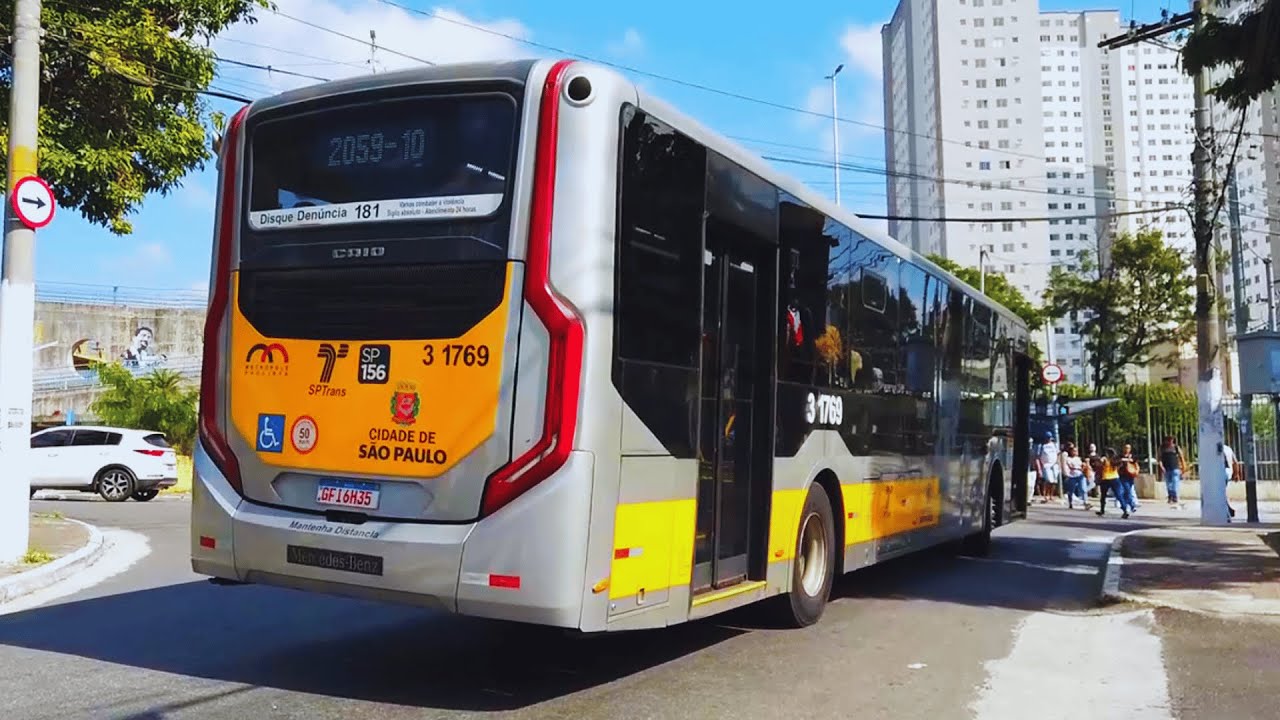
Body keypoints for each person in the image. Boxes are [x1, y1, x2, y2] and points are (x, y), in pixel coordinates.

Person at [1159, 436, 1186, 505]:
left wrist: (1183, 466)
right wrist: (1161, 466)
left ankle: (1175, 496)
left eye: (1171, 440)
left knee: (1175, 482)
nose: (1170, 441)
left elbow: (1181, 456)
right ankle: (1170, 496)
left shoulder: (1176, 447)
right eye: (1169, 440)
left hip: (1175, 468)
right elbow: (1159, 458)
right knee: (1168, 484)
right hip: (1166, 468)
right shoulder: (1162, 448)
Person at [1114, 444, 1139, 518]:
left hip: (1130, 475)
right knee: (1124, 491)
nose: (1126, 449)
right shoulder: (1120, 456)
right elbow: (1116, 462)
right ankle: (1130, 506)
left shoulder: (1132, 456)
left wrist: (1126, 460)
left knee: (1127, 491)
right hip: (1122, 475)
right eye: (1125, 448)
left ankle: (1128, 507)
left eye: (1128, 448)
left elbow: (1134, 461)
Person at [1036, 432, 1060, 503]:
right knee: (1048, 480)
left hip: (1054, 465)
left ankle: (1051, 495)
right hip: (1046, 465)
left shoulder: (1055, 445)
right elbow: (1038, 457)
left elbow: (1058, 454)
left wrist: (1058, 464)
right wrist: (1039, 468)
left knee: (1054, 481)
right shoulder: (1041, 446)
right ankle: (1045, 495)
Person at [1062, 444, 1087, 509]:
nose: (1075, 452)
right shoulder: (1068, 459)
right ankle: (1070, 503)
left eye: (1076, 451)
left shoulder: (1079, 459)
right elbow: (1070, 467)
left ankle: (1085, 502)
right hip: (1072, 476)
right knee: (1071, 490)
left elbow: (1083, 466)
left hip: (1080, 475)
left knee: (1083, 489)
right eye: (1074, 451)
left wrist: (1083, 467)